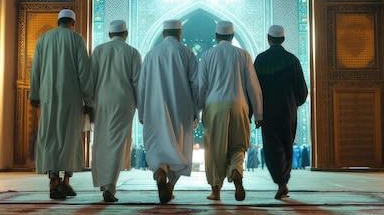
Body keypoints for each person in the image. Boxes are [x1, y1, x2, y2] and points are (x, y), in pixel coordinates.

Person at [29, 9, 93, 200]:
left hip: (48, 98)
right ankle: (65, 182)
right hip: (71, 98)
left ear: (58, 22)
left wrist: (34, 94)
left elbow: (36, 69)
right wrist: (88, 100)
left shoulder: (44, 39)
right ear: (73, 22)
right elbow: (84, 71)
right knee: (69, 139)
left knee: (50, 137)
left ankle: (53, 178)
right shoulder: (76, 39)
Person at [198, 21, 263, 201]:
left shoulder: (207, 55)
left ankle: (216, 191)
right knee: (239, 145)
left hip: (215, 106)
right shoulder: (243, 55)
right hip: (240, 105)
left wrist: (197, 112)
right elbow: (253, 86)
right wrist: (258, 114)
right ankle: (236, 170)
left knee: (214, 149)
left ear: (216, 37)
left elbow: (201, 87)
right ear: (232, 37)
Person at [137, 19, 199, 204]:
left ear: (164, 34)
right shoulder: (187, 52)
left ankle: (160, 173)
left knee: (157, 146)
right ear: (179, 34)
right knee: (177, 148)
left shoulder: (151, 54)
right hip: (181, 110)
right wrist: (196, 111)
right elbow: (196, 85)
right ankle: (170, 185)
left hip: (154, 110)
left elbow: (141, 87)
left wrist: (142, 113)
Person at [254, 24, 308, 200]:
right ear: (283, 40)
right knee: (286, 146)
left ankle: (281, 181)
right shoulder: (292, 60)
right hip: (288, 111)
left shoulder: (261, 59)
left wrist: (256, 111)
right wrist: (294, 104)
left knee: (272, 147)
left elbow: (254, 89)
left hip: (268, 112)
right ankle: (283, 180)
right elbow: (303, 91)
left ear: (268, 39)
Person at [90, 20, 141, 203]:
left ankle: (106, 184)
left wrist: (89, 104)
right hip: (124, 101)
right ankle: (109, 187)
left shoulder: (99, 50)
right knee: (117, 143)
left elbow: (92, 79)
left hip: (102, 100)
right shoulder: (132, 52)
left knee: (102, 141)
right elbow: (137, 82)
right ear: (125, 34)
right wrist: (141, 108)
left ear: (110, 34)